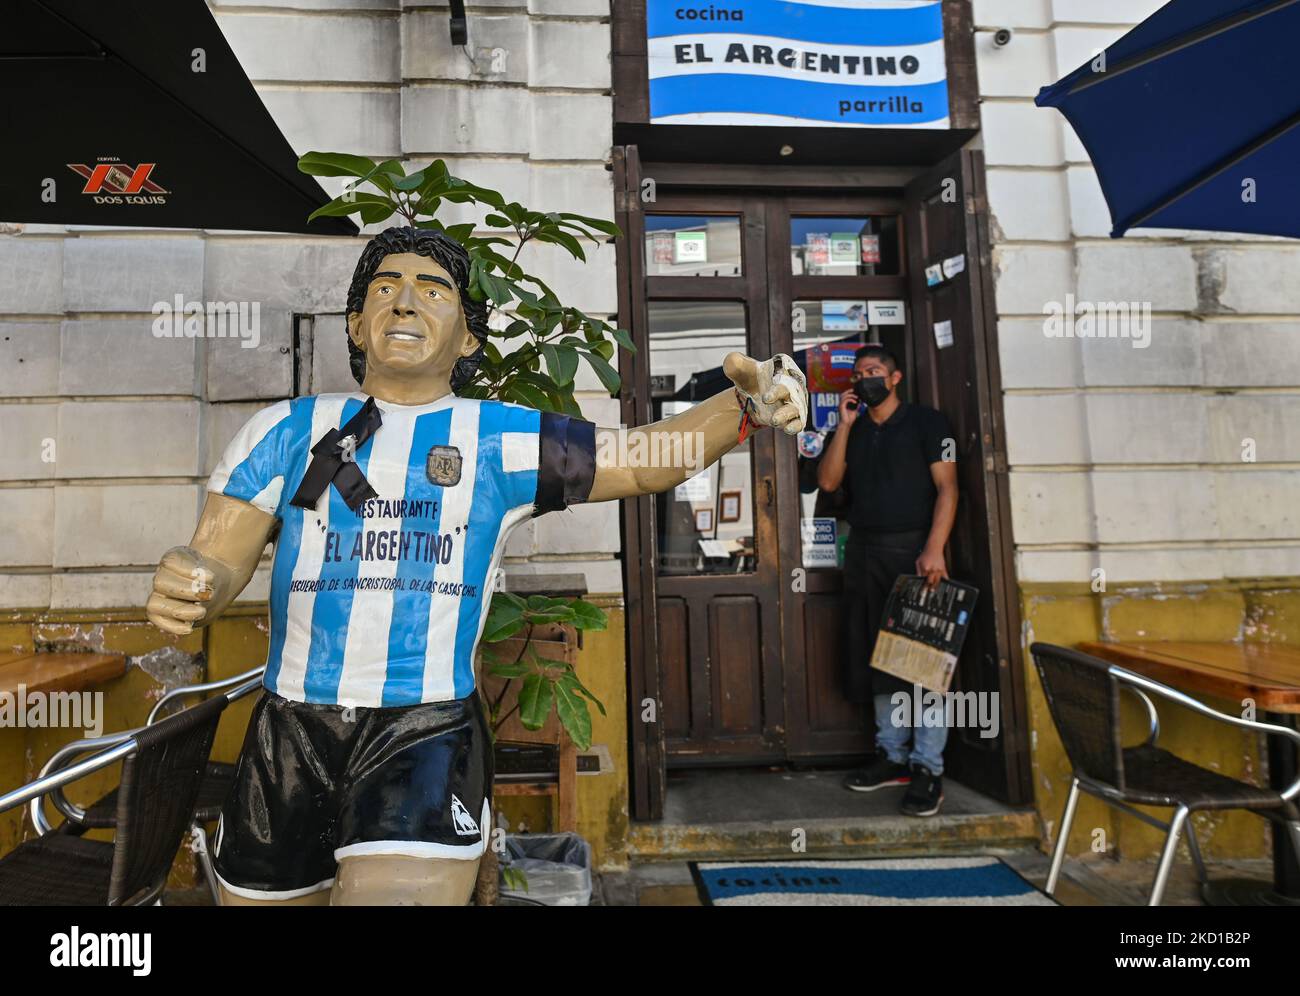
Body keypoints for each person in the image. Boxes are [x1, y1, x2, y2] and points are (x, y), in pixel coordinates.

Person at [145, 225, 808, 905]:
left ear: (468, 338)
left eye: (431, 292)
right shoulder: (283, 430)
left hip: (421, 730)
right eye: (384, 290)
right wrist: (192, 581)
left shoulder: (499, 438)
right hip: (288, 729)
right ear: (355, 323)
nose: (404, 304)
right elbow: (218, 559)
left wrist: (744, 408)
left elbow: (638, 460)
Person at [816, 344, 957, 816]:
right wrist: (844, 426)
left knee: (925, 661)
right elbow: (830, 483)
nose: (865, 379)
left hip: (915, 552)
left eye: (874, 372)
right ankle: (891, 755)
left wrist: (934, 548)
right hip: (864, 552)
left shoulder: (926, 423)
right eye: (859, 374)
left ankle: (928, 767)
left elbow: (948, 488)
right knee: (880, 659)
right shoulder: (853, 428)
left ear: (894, 378)